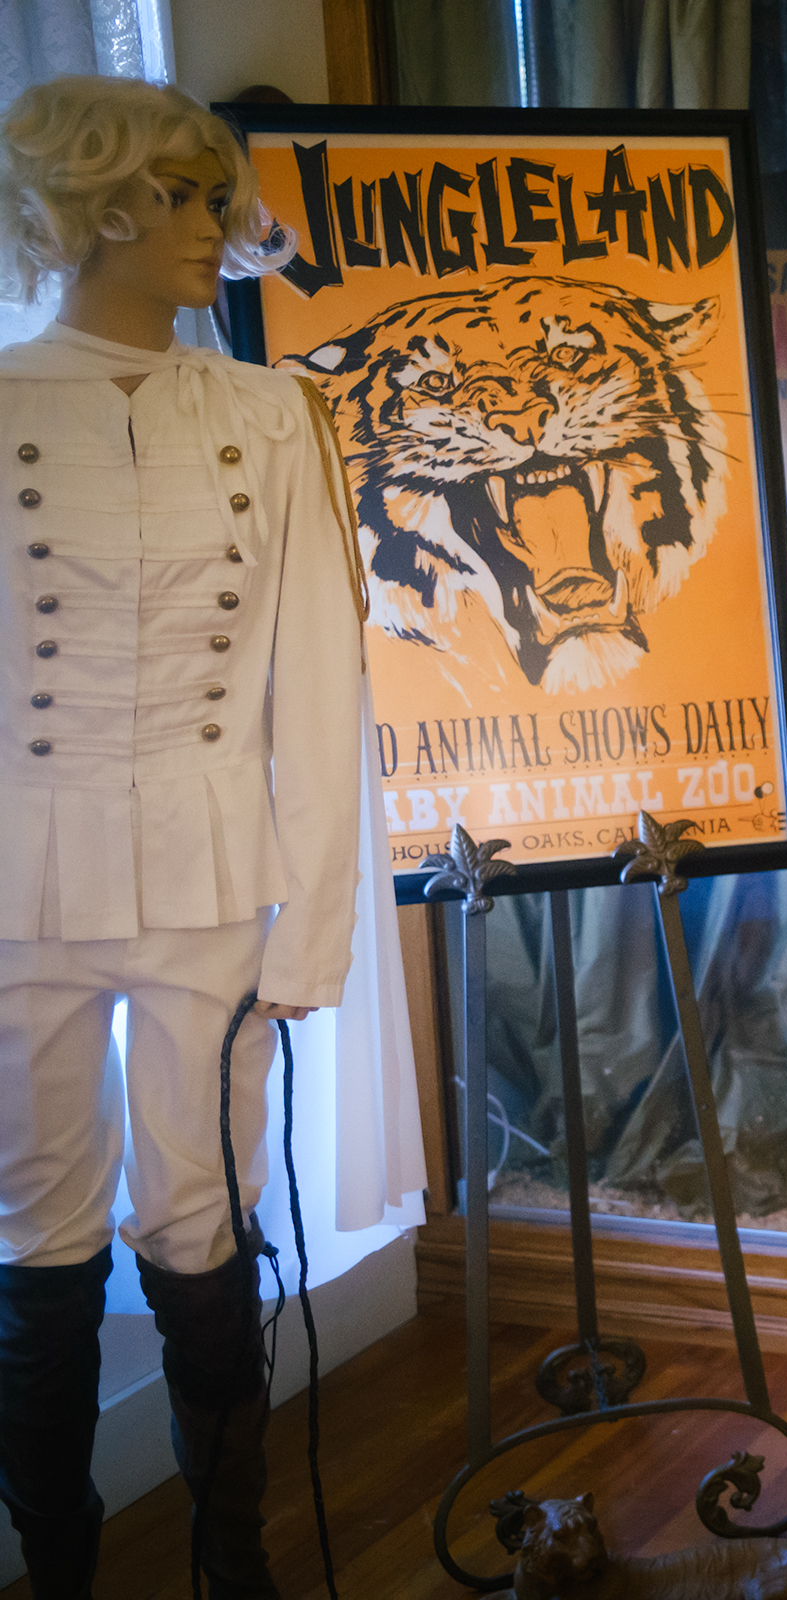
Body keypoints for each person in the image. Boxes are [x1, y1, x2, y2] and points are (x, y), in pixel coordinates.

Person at [0, 77, 368, 1598]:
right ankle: (60, 1574)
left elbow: (320, 681)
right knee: (38, 1234)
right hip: (18, 890)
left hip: (219, 884)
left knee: (203, 1225)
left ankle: (234, 1560)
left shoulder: (271, 413)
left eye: (218, 195)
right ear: (104, 209)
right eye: (194, 196)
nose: (224, 226)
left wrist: (316, 922)